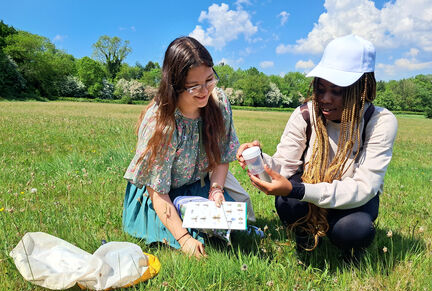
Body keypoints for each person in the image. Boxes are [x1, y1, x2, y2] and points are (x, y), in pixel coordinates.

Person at [237, 35, 398, 259]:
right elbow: (285, 166)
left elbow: (364, 188)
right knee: (287, 202)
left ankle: (348, 250)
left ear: (361, 88)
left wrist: (300, 190)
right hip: (310, 195)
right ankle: (305, 236)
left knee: (355, 229)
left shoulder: (379, 121)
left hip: (352, 202)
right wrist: (260, 161)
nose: (325, 99)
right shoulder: (305, 114)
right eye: (320, 89)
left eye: (337, 91)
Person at [123, 36, 254, 258]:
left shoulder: (218, 103)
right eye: (194, 86)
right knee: (188, 234)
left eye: (210, 80)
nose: (205, 91)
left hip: (198, 183)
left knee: (234, 218)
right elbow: (157, 190)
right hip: (160, 192)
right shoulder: (161, 122)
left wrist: (216, 190)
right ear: (174, 86)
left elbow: (222, 155)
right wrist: (184, 240)